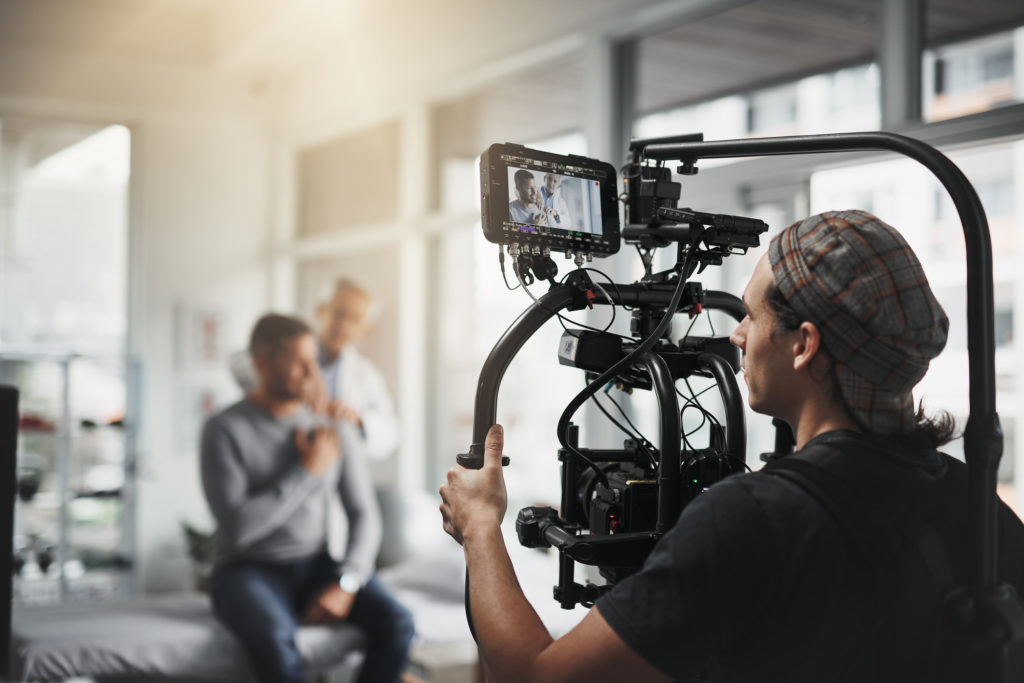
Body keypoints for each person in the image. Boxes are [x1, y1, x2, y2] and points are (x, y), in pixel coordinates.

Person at [438, 210, 1024, 682]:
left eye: (751, 316)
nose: (737, 335)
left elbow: (537, 675)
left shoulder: (755, 520)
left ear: (804, 345)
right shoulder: (981, 509)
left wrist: (480, 528)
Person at [202, 313, 414, 683]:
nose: (312, 372)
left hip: (315, 565)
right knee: (276, 640)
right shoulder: (223, 430)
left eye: (313, 360)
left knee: (398, 623)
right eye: (299, 363)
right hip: (246, 570)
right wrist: (306, 471)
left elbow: (363, 514)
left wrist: (347, 582)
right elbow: (238, 530)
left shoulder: (332, 426)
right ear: (262, 365)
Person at [229, 279, 398, 462]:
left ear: (366, 330)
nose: (343, 325)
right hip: (276, 452)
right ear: (320, 310)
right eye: (339, 313)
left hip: (334, 462)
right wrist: (290, 385)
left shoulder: (366, 375)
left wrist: (359, 421)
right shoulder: (291, 345)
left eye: (355, 319)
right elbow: (242, 364)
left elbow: (390, 435)